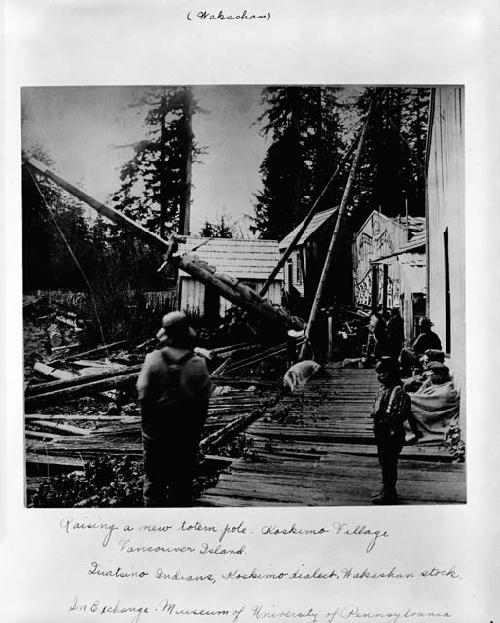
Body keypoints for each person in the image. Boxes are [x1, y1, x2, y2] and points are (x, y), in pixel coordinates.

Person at [137, 311, 212, 507]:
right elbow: (203, 404)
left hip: (156, 434)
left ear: (166, 336)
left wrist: (148, 431)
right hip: (185, 435)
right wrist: (194, 433)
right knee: (182, 484)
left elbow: (144, 397)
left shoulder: (152, 361)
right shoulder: (198, 364)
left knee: (154, 483)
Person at [370, 356, 412, 505]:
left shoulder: (399, 392)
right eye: (378, 373)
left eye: (384, 372)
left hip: (392, 432)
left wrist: (386, 421)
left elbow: (400, 414)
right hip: (381, 431)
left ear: (394, 373)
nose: (380, 376)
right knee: (384, 461)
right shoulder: (383, 390)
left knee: (389, 462)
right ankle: (386, 488)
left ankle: (389, 492)